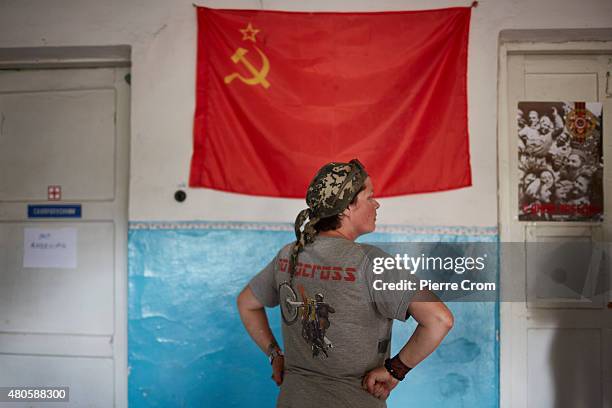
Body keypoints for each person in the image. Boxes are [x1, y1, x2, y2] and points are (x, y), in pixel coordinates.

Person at [237, 159, 454, 407]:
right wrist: (395, 370)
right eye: (370, 197)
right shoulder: (370, 262)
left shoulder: (288, 254)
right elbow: (439, 319)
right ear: (347, 208)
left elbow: (247, 303)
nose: (377, 203)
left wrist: (274, 354)